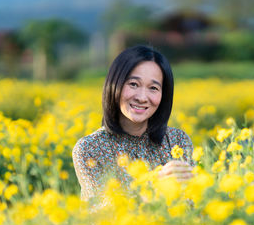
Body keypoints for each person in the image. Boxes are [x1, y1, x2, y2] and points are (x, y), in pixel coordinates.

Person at [72, 45, 194, 204]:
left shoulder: (178, 141)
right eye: (134, 84)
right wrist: (154, 189)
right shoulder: (90, 149)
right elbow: (99, 215)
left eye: (153, 88)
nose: (142, 97)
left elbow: (193, 204)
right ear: (115, 84)